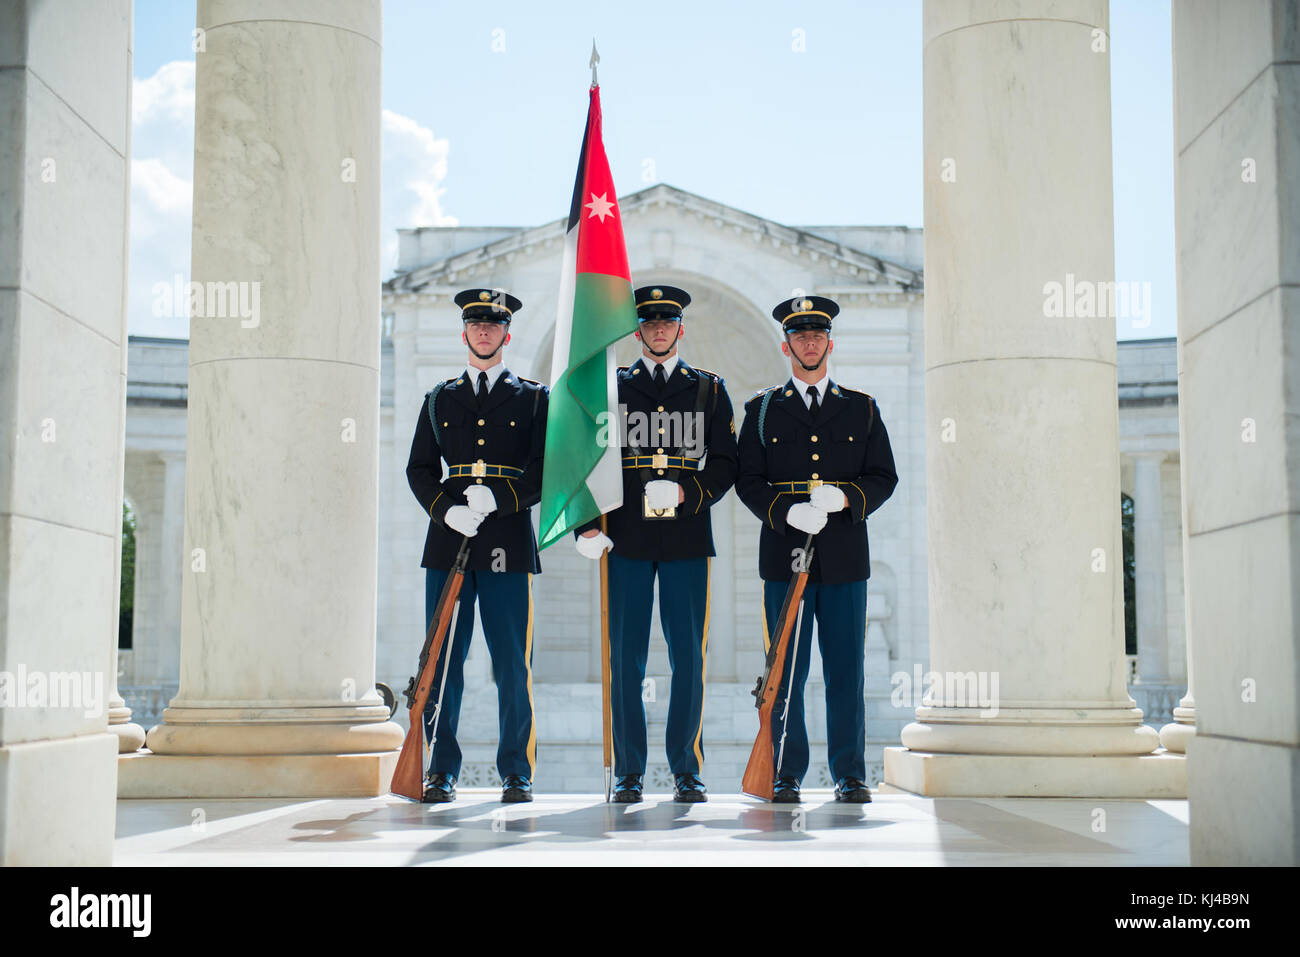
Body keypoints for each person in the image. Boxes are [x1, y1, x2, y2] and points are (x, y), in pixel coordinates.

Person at [575, 285, 738, 803]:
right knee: (626, 658)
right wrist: (586, 524)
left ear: (681, 329)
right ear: (638, 331)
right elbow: (585, 457)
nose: (659, 331)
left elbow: (729, 463)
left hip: (687, 535)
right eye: (649, 324)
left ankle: (686, 769)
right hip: (626, 535)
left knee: (688, 656)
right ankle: (629, 772)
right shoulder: (613, 389)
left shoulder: (709, 391)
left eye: (668, 323)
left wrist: (690, 492)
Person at [735, 295, 898, 803]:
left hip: (845, 557)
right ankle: (785, 771)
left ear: (831, 343)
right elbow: (747, 480)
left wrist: (847, 497)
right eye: (800, 336)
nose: (810, 343)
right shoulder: (761, 411)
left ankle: (849, 773)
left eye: (817, 335)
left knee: (845, 668)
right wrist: (786, 511)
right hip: (785, 555)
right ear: (786, 347)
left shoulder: (862, 408)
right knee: (786, 668)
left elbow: (884, 477)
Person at [405, 288, 548, 804]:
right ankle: (440, 769)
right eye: (475, 325)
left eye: (493, 325)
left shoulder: (534, 398)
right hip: (449, 542)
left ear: (507, 334)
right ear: (463, 333)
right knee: (443, 659)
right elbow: (419, 469)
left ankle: (517, 770)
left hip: (508, 540)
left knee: (512, 661)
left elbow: (544, 471)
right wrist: (448, 509)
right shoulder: (440, 398)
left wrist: (502, 498)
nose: (484, 332)